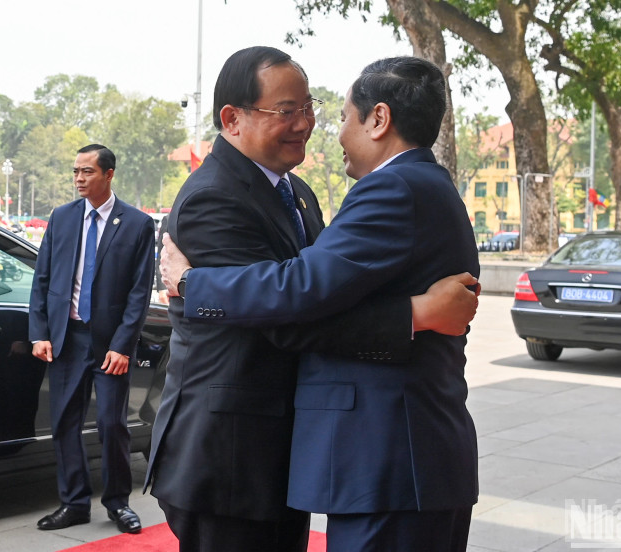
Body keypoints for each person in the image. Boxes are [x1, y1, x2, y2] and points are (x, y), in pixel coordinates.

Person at [145, 47, 479, 552]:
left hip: (371, 456)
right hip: (231, 457)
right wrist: (418, 314)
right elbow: (289, 315)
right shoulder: (213, 195)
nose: (310, 124)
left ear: (380, 120)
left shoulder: (315, 193)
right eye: (288, 110)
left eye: (315, 108)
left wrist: (193, 282)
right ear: (232, 119)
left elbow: (308, 295)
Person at [29, 144, 155, 534]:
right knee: (65, 423)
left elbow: (139, 292)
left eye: (88, 172)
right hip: (67, 339)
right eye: (76, 172)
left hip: (109, 345)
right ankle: (74, 503)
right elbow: (43, 279)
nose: (80, 179)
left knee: (110, 424)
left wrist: (122, 345)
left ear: (109, 174)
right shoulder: (62, 218)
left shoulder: (136, 223)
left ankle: (118, 503)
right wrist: (40, 333)